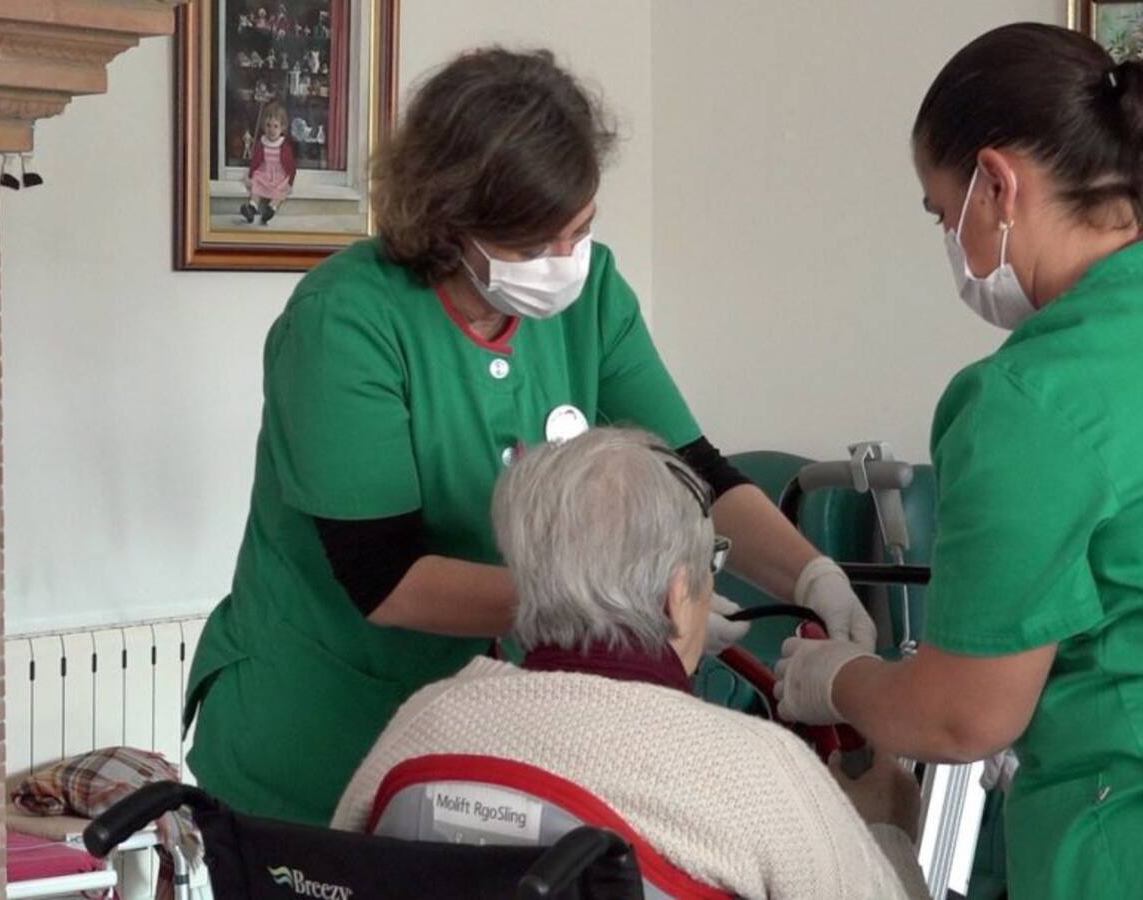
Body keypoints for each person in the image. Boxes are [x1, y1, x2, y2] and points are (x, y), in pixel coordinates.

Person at [185, 47, 875, 827]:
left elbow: (694, 474)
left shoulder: (594, 295)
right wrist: (615, 618)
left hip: (483, 739)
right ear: (448, 223)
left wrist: (813, 576)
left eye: (579, 230)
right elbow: (384, 578)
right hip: (316, 736)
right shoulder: (345, 324)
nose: (563, 261)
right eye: (530, 244)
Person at [773, 23, 1143, 899]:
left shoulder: (1031, 397)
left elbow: (961, 716)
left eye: (944, 212)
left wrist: (840, 681)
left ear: (998, 184)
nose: (951, 237)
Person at [333, 428, 928, 899]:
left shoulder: (424, 725)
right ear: (676, 595)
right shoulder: (759, 771)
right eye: (709, 566)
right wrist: (887, 829)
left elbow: (337, 875)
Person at [241, 102, 296, 225]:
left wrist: (290, 183)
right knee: (256, 186)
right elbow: (255, 161)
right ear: (263, 126)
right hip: (264, 172)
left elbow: (291, 166)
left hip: (279, 175)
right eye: (268, 125)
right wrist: (250, 175)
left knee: (280, 192)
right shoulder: (262, 143)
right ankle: (252, 207)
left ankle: (271, 208)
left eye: (275, 126)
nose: (271, 130)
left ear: (282, 127)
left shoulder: (284, 146)